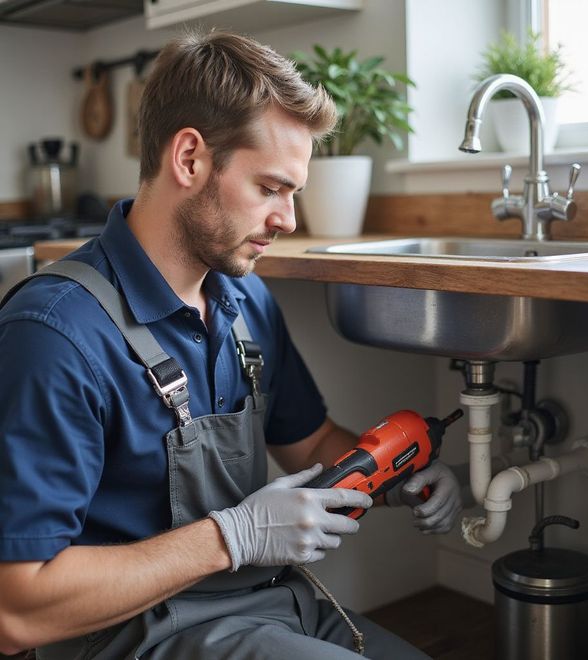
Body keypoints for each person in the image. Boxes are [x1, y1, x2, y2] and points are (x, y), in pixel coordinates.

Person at [0, 30, 461, 659]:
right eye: (270, 188)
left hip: (271, 602)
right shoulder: (55, 334)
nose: (288, 220)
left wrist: (394, 472)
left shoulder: (244, 303)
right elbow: (17, 610)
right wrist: (231, 537)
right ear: (189, 159)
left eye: (292, 192)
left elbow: (311, 442)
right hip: (127, 638)